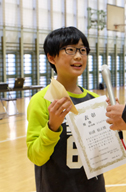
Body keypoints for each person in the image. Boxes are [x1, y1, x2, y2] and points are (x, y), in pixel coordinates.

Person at [26, 26, 106, 192]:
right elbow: (36, 156)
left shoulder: (96, 100)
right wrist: (52, 127)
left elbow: (104, 151)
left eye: (83, 50)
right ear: (51, 57)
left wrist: (113, 122)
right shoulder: (41, 101)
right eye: (70, 50)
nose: (78, 56)